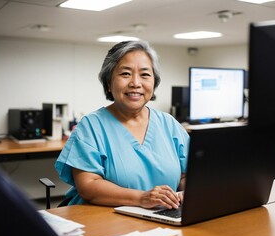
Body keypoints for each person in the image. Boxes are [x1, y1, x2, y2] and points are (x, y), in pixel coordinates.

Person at [55, 40, 190, 210]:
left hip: (164, 216)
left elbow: (186, 175)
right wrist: (142, 198)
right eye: (125, 74)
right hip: (104, 219)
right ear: (109, 82)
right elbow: (88, 186)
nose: (135, 83)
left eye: (145, 74)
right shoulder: (91, 126)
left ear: (154, 83)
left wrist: (190, 192)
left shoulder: (169, 124)